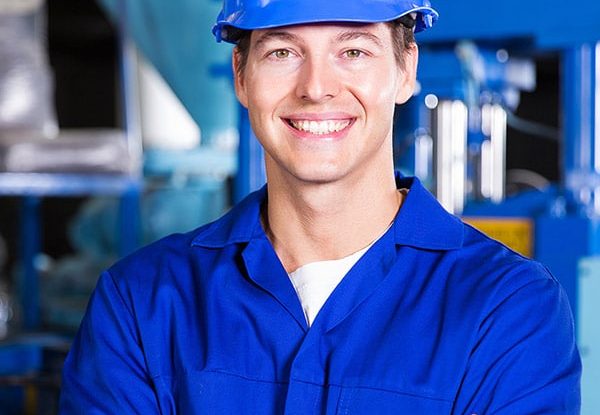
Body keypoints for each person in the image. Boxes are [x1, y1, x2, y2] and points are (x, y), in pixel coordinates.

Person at [59, 0, 581, 413]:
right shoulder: (142, 302)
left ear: (406, 69)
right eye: (282, 53)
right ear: (241, 74)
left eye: (353, 51)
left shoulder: (507, 309)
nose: (316, 88)